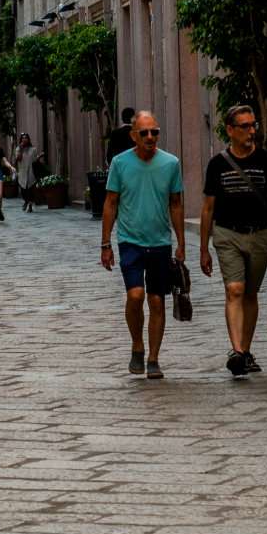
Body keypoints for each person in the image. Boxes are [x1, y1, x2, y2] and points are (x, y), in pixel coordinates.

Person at [199, 105, 267, 378]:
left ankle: (246, 350)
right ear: (230, 130)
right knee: (235, 290)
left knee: (251, 293)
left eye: (254, 125)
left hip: (261, 235)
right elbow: (207, 208)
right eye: (245, 126)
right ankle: (238, 352)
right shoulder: (217, 164)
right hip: (228, 233)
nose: (252, 131)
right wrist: (204, 248)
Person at [99, 109, 184, 380]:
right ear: (133, 135)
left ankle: (153, 358)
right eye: (144, 132)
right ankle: (137, 344)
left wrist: (181, 242)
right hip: (130, 241)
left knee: (157, 301)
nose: (150, 137)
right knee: (135, 296)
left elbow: (176, 204)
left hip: (160, 242)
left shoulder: (171, 163)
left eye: (155, 132)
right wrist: (105, 244)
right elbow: (110, 203)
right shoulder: (120, 164)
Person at [14, 132, 38, 213]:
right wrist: (21, 148)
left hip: (31, 172)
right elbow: (18, 159)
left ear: (28, 139)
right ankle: (26, 201)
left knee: (30, 189)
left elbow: (35, 161)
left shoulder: (33, 149)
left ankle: (30, 205)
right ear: (21, 140)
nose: (24, 139)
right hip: (22, 172)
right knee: (23, 190)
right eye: (23, 138)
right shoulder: (18, 149)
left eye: (26, 138)